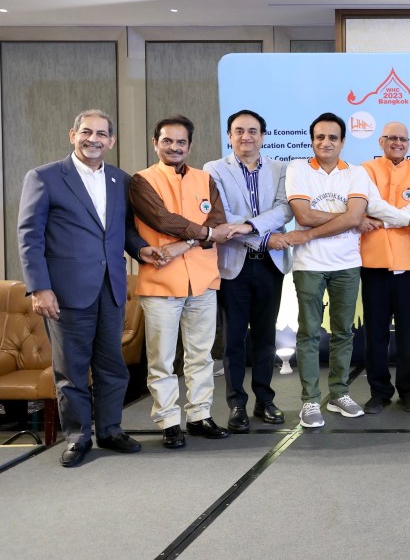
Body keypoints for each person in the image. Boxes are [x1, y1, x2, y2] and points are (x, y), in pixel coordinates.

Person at [17, 109, 164, 467]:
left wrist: (141, 250)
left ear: (111, 141)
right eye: (86, 132)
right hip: (65, 292)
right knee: (71, 369)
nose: (93, 139)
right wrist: (39, 288)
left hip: (111, 289)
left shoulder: (120, 180)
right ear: (73, 135)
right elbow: (30, 237)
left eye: (101, 134)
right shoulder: (44, 177)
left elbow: (124, 229)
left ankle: (111, 430)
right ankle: (78, 436)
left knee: (113, 366)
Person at [130, 115, 248, 448]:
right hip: (161, 282)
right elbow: (162, 220)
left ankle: (199, 416)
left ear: (190, 146)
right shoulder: (141, 181)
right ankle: (169, 421)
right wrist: (204, 234)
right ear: (155, 143)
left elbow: (218, 222)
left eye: (181, 142)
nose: (174, 147)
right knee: (162, 359)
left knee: (201, 356)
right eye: (167, 141)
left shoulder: (205, 178)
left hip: (203, 280)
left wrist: (186, 243)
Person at [204, 109, 293, 433]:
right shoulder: (214, 169)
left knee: (266, 337)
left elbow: (284, 209)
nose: (246, 136)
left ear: (263, 136)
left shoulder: (281, 168)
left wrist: (249, 227)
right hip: (233, 265)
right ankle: (236, 404)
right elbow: (222, 216)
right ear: (230, 136)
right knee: (234, 340)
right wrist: (261, 236)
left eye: (253, 131)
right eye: (239, 131)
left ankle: (264, 400)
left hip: (270, 264)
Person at [284, 112, 370, 428]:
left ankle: (339, 394)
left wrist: (313, 231)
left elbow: (351, 217)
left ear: (342, 141)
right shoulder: (298, 168)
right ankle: (310, 400)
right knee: (308, 332)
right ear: (312, 140)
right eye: (320, 137)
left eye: (333, 137)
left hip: (347, 263)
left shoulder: (357, 173)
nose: (326, 142)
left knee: (343, 331)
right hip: (309, 265)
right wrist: (348, 218)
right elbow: (304, 215)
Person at [360, 122, 410, 414]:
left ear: (409, 143)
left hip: (409, 263)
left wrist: (383, 222)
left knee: (408, 332)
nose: (397, 143)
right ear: (381, 141)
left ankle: (408, 391)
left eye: (403, 139)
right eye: (392, 138)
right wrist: (404, 218)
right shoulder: (365, 170)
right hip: (373, 262)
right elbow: (371, 205)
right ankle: (379, 392)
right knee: (375, 332)